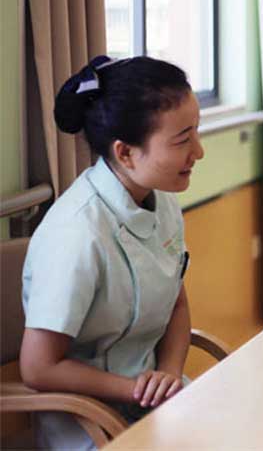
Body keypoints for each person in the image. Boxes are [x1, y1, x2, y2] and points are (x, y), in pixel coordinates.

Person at [20, 55, 205, 449]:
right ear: (125, 153)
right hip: (87, 419)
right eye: (183, 140)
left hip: (154, 401)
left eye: (197, 132)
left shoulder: (162, 199)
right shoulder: (77, 232)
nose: (199, 152)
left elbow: (176, 305)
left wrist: (169, 375)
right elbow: (38, 367)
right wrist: (135, 388)